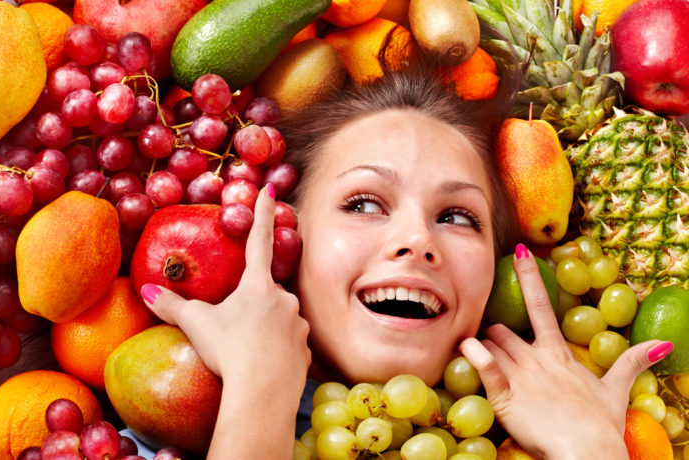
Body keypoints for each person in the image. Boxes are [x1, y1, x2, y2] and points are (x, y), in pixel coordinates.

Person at [137, 62, 672, 459]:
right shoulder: (149, 430)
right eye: (364, 203)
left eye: (459, 217)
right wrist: (260, 388)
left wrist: (591, 449)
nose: (417, 240)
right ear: (287, 237)